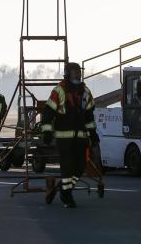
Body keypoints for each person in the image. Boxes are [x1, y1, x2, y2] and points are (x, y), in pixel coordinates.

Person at [41, 62, 99, 208]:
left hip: (80, 138)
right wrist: (46, 132)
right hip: (63, 138)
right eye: (75, 72)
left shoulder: (85, 91)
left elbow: (89, 116)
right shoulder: (59, 90)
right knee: (67, 168)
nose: (78, 74)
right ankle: (66, 196)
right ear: (67, 73)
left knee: (80, 167)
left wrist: (93, 134)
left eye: (79, 72)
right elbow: (48, 113)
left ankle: (61, 187)